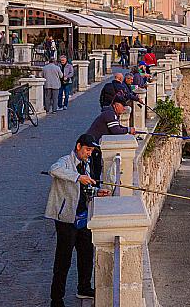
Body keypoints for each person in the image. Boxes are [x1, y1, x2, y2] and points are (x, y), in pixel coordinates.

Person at [46, 134, 110, 307]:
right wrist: (77, 177)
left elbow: (85, 190)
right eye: (87, 150)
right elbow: (54, 170)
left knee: (86, 254)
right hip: (66, 219)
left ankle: (84, 287)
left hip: (83, 217)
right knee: (63, 260)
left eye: (91, 151)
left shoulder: (87, 165)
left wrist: (97, 191)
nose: (89, 153)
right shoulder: (65, 161)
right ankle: (56, 299)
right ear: (78, 146)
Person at [86, 94, 136, 182]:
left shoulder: (112, 114)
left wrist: (127, 130)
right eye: (122, 106)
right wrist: (128, 129)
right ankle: (94, 187)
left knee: (96, 168)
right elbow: (115, 130)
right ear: (116, 105)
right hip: (92, 144)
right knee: (95, 169)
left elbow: (118, 127)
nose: (124, 108)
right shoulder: (109, 114)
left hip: (96, 144)